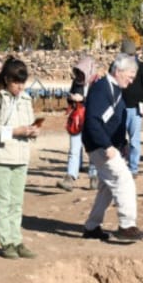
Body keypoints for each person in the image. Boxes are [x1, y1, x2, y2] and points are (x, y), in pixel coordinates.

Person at [79, 54, 143, 243]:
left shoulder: (116, 90)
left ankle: (92, 226)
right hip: (99, 146)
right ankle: (127, 226)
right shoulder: (102, 88)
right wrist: (107, 146)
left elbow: (114, 121)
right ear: (118, 71)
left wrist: (122, 143)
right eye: (131, 74)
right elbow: (93, 121)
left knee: (107, 188)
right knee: (124, 178)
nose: (133, 79)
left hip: (108, 146)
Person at [0, 56, 41, 260]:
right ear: (6, 79)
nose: (19, 86)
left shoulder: (26, 98)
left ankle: (17, 239)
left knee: (17, 202)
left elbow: (29, 122)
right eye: (16, 82)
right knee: (2, 201)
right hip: (1, 156)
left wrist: (32, 130)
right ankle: (6, 241)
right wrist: (16, 131)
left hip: (21, 156)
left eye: (22, 82)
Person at [118, 40, 143, 175]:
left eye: (131, 54)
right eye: (127, 55)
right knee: (118, 139)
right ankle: (119, 166)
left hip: (136, 108)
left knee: (135, 140)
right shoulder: (117, 66)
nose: (130, 57)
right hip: (120, 108)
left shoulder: (141, 67)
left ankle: (133, 168)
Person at [60, 60, 92, 190]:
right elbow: (69, 97)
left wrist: (83, 99)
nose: (80, 74)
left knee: (91, 150)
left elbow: (97, 101)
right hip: (77, 119)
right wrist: (72, 98)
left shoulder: (96, 82)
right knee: (73, 150)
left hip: (90, 119)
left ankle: (94, 177)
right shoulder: (76, 82)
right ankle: (70, 177)